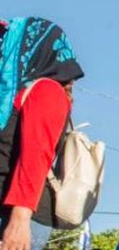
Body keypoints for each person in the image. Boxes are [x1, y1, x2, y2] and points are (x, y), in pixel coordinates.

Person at [0, 17, 85, 250]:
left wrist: (19, 219)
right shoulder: (9, 96)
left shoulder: (47, 91)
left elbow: (36, 154)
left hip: (15, 216)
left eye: (5, 39)